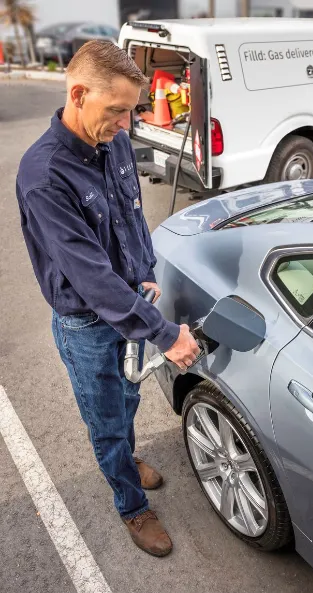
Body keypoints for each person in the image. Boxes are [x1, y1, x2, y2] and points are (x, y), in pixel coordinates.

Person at [16, 40, 200, 557]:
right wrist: (165, 335)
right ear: (78, 94)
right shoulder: (44, 176)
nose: (127, 123)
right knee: (105, 420)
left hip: (132, 308)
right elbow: (92, 278)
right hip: (88, 323)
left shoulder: (113, 141)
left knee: (130, 395)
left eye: (132, 110)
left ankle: (128, 453)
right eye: (117, 110)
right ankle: (130, 504)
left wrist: (145, 271)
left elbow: (130, 211)